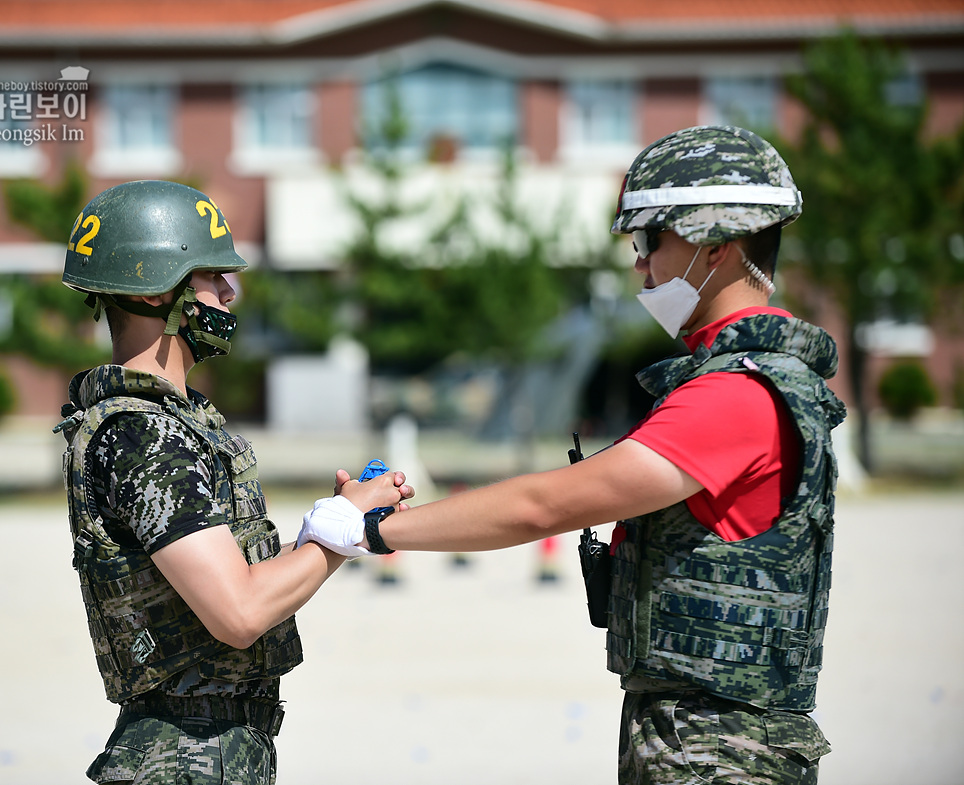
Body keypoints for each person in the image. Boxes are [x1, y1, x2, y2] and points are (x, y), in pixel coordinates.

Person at [299, 126, 847, 783]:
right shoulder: (750, 379)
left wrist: (372, 528)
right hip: (705, 740)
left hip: (722, 753)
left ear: (718, 247)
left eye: (650, 242)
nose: (640, 265)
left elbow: (544, 505)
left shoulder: (734, 396)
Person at [54, 180, 412, 785]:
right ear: (159, 290)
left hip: (207, 748)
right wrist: (342, 530)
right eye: (212, 275)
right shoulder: (144, 436)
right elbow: (239, 611)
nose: (228, 292)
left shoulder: (168, 420)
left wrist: (330, 526)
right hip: (187, 754)